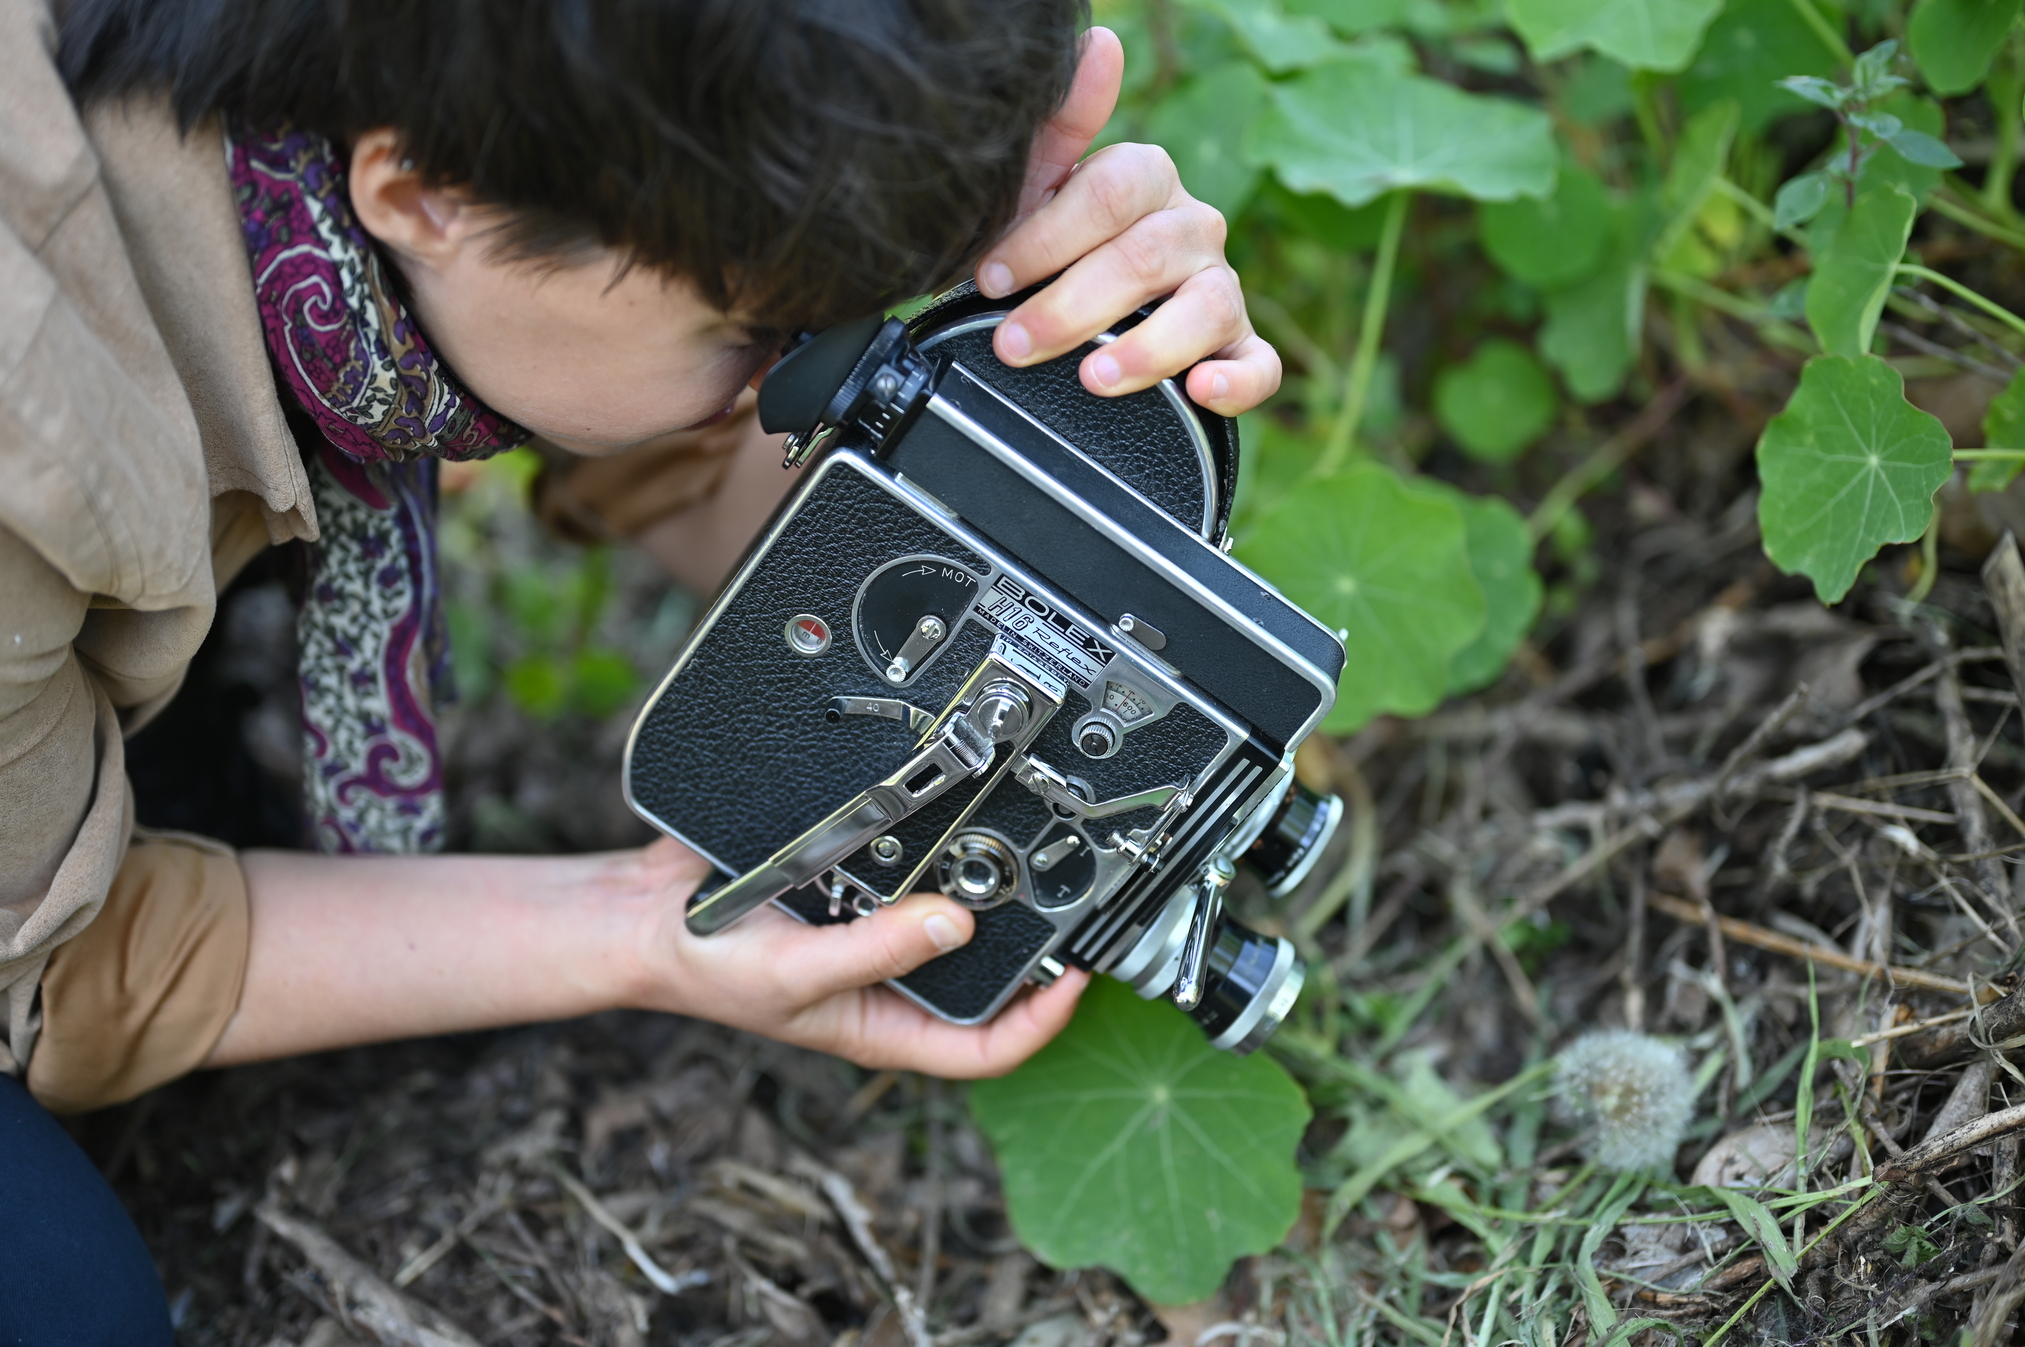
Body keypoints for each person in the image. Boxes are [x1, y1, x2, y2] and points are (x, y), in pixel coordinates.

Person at [0, 0, 1281, 1336]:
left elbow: (683, 449)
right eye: (757, 336)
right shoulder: (29, 404)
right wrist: (634, 930)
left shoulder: (497, 106)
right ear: (423, 193)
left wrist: (1030, 397)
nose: (807, 383)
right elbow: (51, 978)